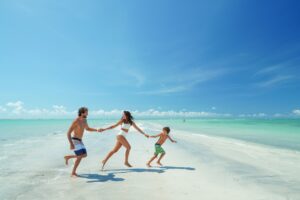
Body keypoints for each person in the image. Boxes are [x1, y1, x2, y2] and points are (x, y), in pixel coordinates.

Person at [64, 107, 102, 177]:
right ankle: (73, 172)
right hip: (75, 140)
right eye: (86, 112)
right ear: (82, 113)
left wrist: (97, 130)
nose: (88, 113)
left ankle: (68, 157)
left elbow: (87, 128)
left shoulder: (84, 120)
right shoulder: (76, 121)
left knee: (84, 155)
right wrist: (71, 144)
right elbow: (68, 133)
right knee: (80, 156)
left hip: (80, 140)